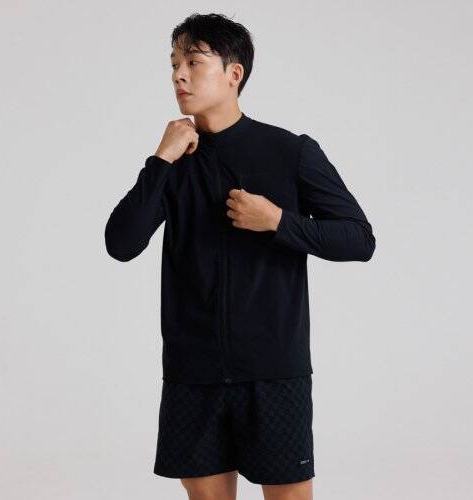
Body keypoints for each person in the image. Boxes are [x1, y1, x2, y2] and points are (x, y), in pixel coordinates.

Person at [104, 12, 376, 500]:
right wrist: (161, 159)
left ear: (234, 73)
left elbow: (359, 239)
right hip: (193, 372)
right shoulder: (175, 162)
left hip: (274, 372)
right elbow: (121, 244)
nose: (179, 75)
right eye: (173, 64)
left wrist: (278, 221)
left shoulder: (290, 152)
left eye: (193, 61)